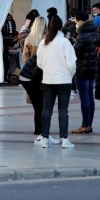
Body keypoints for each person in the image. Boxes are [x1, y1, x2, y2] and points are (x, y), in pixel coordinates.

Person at [37, 15, 77, 149]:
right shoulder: (65, 42)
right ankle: (64, 139)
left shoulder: (44, 42)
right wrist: (69, 75)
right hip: (63, 79)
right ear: (61, 27)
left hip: (48, 78)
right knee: (63, 110)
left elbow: (39, 63)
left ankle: (45, 138)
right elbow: (71, 63)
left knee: (46, 109)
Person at [20, 16, 46, 143]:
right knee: (42, 103)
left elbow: (25, 58)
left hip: (30, 74)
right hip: (43, 74)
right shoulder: (45, 39)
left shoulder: (29, 39)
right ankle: (42, 128)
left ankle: (38, 128)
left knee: (36, 104)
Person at [72, 11, 98, 134]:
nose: (75, 23)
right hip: (93, 68)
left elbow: (76, 53)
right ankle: (89, 124)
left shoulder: (82, 35)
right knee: (90, 96)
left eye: (76, 21)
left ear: (80, 21)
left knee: (84, 98)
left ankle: (85, 124)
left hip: (82, 69)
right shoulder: (94, 32)